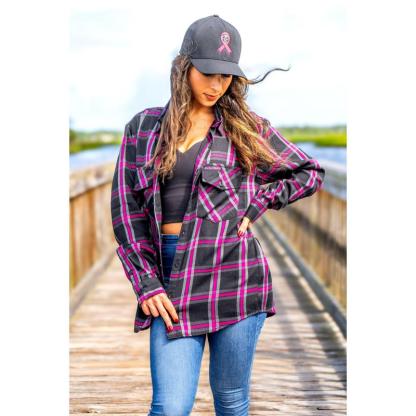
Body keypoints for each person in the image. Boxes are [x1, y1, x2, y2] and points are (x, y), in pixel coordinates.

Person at [111, 14, 325, 416]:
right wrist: (146, 283)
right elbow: (127, 212)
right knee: (169, 406)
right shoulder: (143, 128)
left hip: (236, 277)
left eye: (226, 76)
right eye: (207, 72)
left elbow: (308, 172)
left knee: (231, 401)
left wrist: (259, 201)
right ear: (184, 67)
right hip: (171, 280)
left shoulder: (245, 129)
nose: (216, 84)